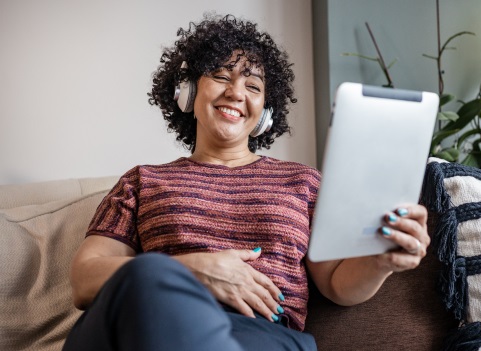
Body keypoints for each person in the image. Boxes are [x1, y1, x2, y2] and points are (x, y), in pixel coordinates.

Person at [63, 14, 430, 351]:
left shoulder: (301, 182)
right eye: (221, 76)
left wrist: (381, 260)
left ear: (265, 113)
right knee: (149, 275)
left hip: (263, 337)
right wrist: (194, 270)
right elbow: (85, 281)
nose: (236, 92)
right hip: (148, 324)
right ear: (188, 90)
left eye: (252, 86)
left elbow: (337, 284)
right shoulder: (143, 182)